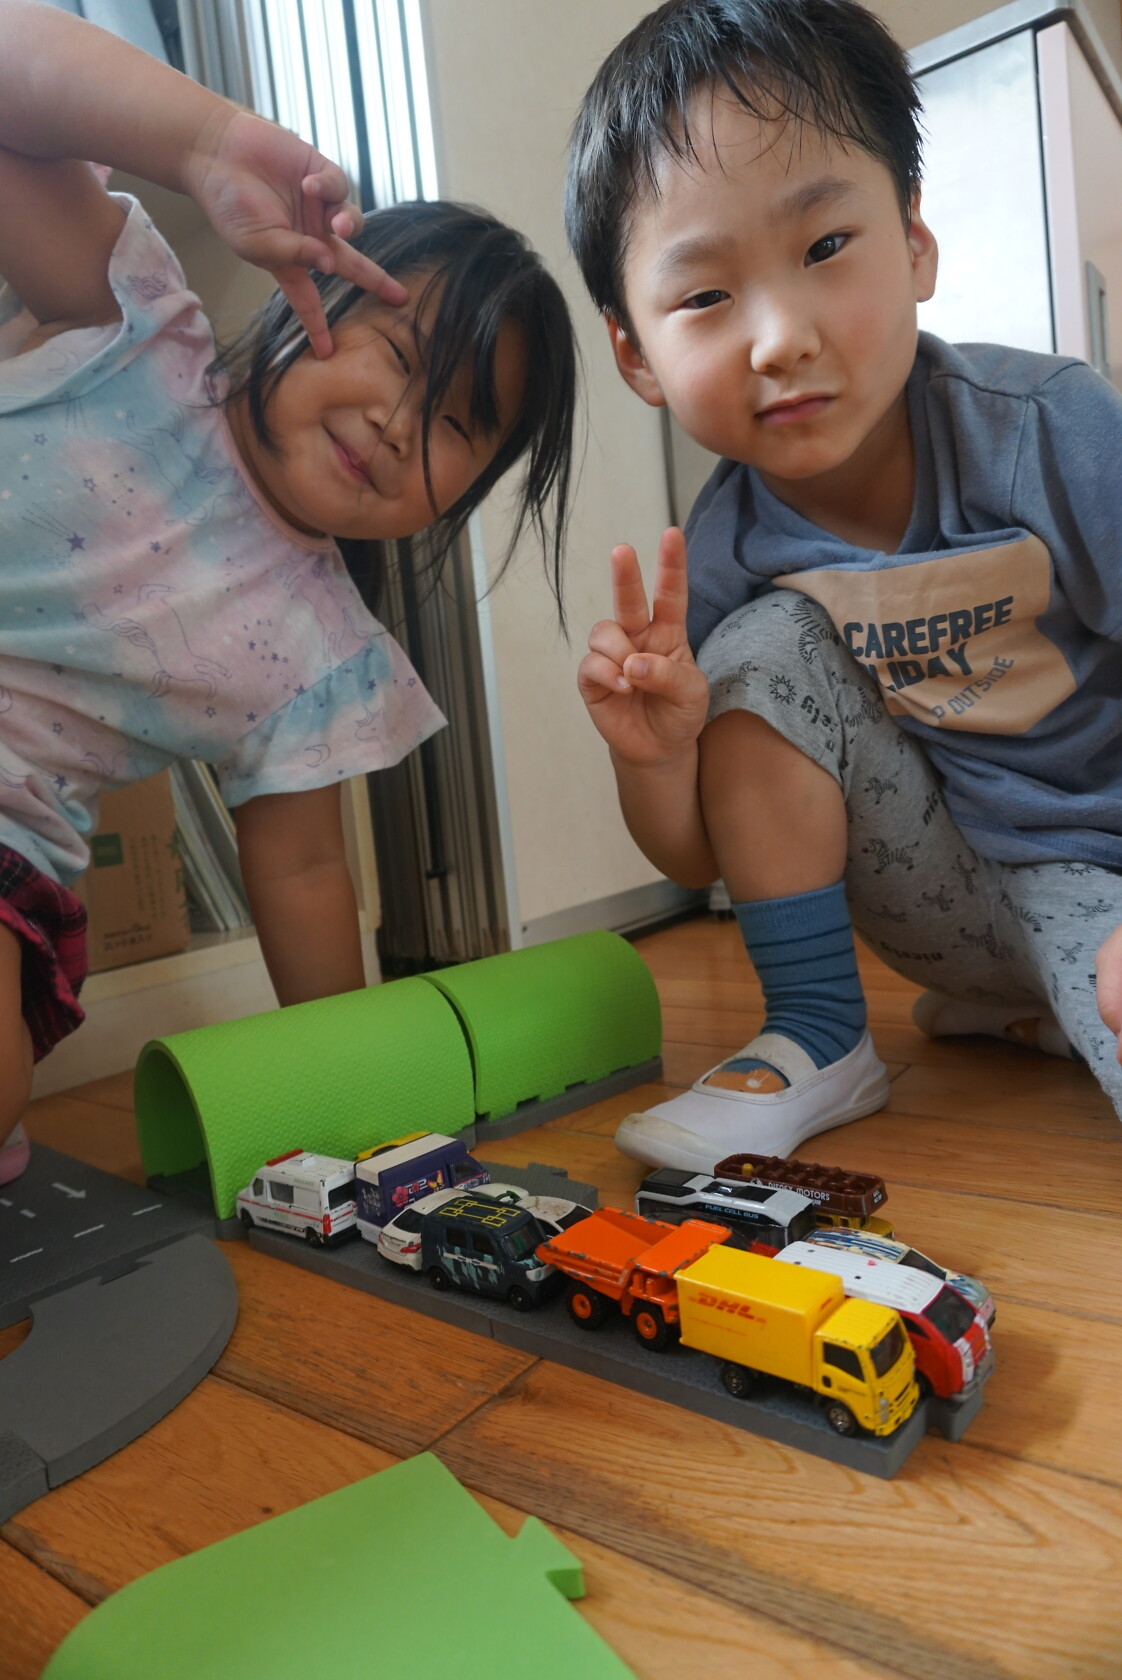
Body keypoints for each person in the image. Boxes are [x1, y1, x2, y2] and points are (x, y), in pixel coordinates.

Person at [0, 0, 576, 1184]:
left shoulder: (322, 659)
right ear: (302, 290)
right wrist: (203, 141)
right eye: (399, 355)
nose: (398, 422)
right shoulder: (131, 329)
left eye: (456, 424)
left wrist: (363, 1115)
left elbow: (307, 875)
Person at [568, 0, 1122, 1172]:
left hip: (1108, 868)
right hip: (939, 894)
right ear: (634, 353)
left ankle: (1040, 1005)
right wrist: (653, 757)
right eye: (704, 297)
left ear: (915, 242)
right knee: (761, 650)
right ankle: (821, 1034)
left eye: (825, 248)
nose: (779, 337)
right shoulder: (726, 544)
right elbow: (693, 861)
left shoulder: (1048, 429)